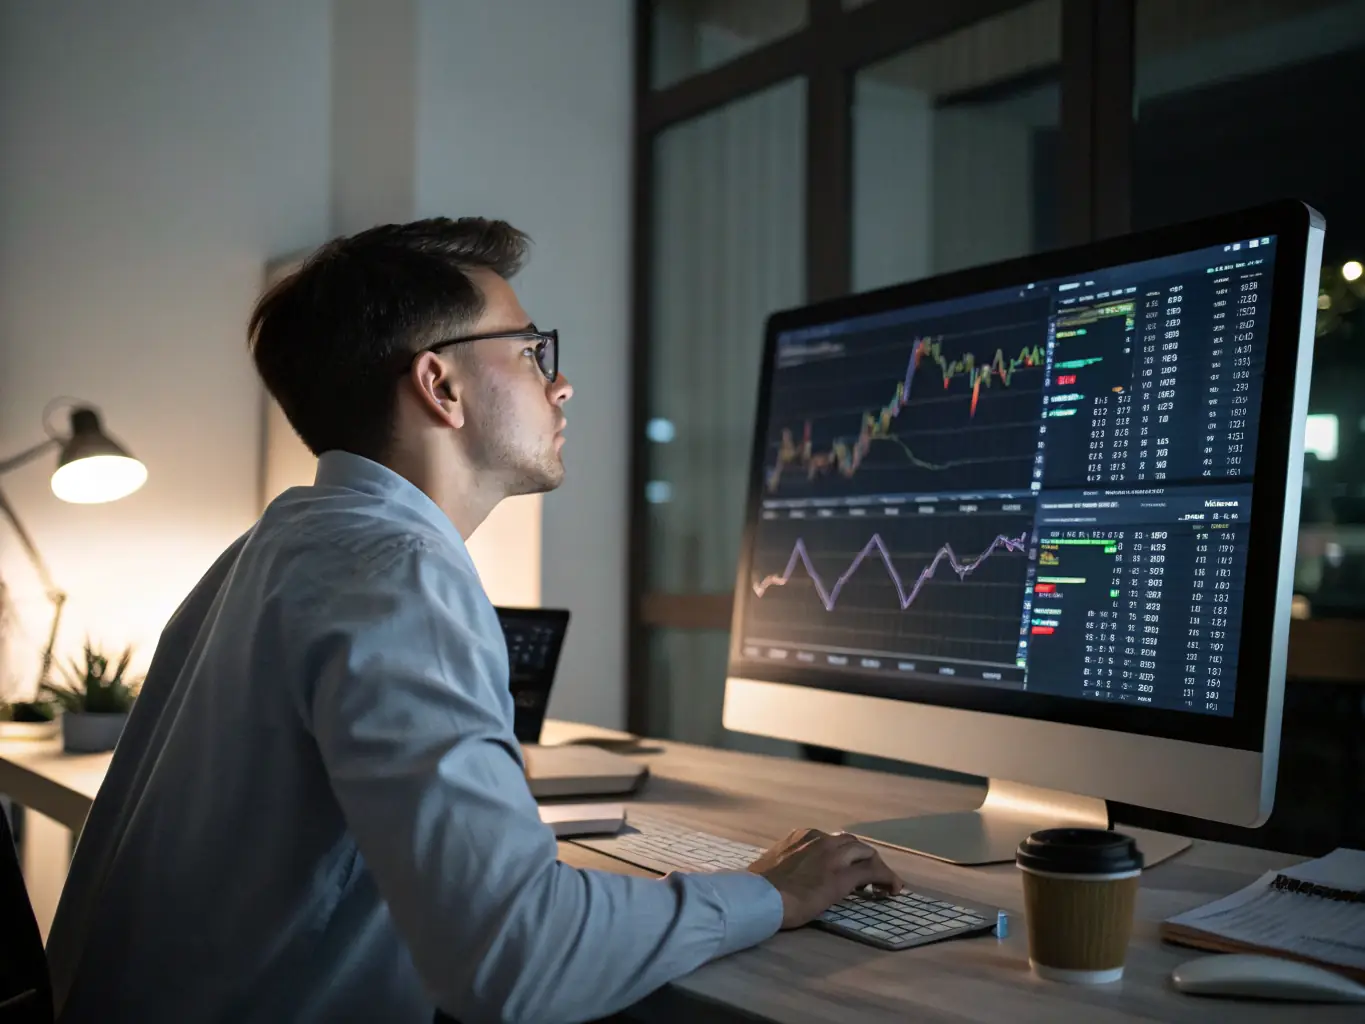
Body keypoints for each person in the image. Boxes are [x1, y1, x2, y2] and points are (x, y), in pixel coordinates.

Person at [43, 217, 904, 1024]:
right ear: (440, 383)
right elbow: (512, 956)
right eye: (531, 352)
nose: (560, 383)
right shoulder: (397, 574)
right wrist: (769, 895)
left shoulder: (272, 549)